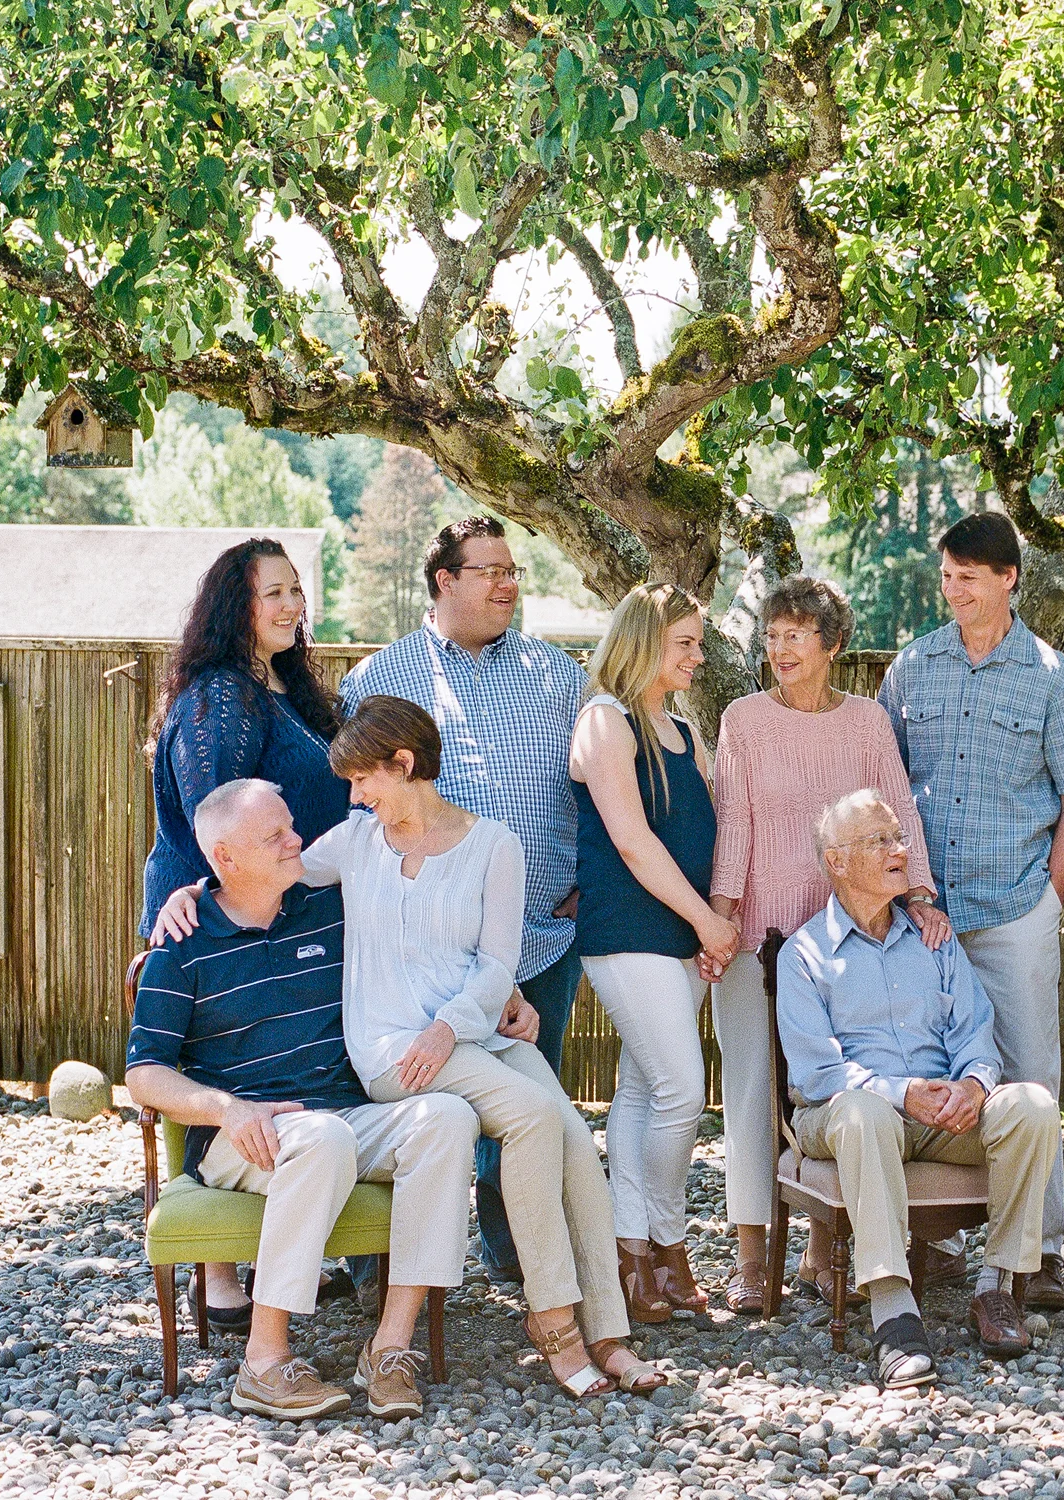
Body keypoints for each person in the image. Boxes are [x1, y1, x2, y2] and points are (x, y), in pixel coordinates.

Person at [151, 704, 665, 1396]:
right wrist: (188, 891)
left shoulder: (495, 846)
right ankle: (556, 1331)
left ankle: (607, 1333)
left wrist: (457, 1022)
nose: (356, 796)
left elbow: (496, 963)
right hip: (394, 1048)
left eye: (365, 779)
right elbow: (256, 870)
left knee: (573, 1134)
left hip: (468, 1034)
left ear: (404, 764)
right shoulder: (356, 842)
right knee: (535, 1117)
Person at [126, 780, 476, 1422]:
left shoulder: (330, 909)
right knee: (322, 1137)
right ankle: (263, 1362)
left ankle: (390, 1347)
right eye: (276, 835)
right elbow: (144, 1075)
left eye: (291, 826)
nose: (297, 841)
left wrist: (504, 993)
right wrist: (227, 1110)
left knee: (448, 1118)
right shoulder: (182, 943)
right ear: (226, 857)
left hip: (343, 1112)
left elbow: (428, 939)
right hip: (241, 1135)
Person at [340, 516, 586, 1282]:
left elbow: (596, 785)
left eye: (513, 570)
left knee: (523, 1105)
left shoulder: (559, 675)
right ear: (444, 580)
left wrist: (590, 882)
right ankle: (382, 1267)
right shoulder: (378, 679)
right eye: (491, 571)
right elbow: (359, 815)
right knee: (418, 1101)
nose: (508, 584)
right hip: (423, 954)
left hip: (540, 935)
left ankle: (519, 1259)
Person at [877, 513, 1064, 1308]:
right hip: (923, 913)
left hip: (1013, 908)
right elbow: (886, 782)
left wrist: (1050, 895)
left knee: (1030, 1074)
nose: (953, 590)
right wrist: (900, 890)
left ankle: (1038, 1253)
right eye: (946, 575)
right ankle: (936, 1243)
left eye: (968, 576)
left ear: (1009, 579)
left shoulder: (1050, 678)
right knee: (929, 1069)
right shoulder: (912, 667)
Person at [709, 577, 946, 1313]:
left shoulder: (867, 723)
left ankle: (820, 1252)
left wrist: (918, 895)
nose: (779, 649)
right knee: (753, 1091)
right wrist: (721, 919)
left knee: (836, 1084)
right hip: (760, 937)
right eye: (772, 635)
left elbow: (898, 811)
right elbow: (734, 823)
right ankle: (752, 1259)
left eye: (795, 635)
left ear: (832, 644)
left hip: (851, 937)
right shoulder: (744, 720)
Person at [776, 790, 1061, 1390]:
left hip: (940, 1116)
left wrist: (975, 1086)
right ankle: (893, 1312)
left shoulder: (935, 939)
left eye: (899, 838)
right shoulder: (804, 954)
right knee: (864, 1111)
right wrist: (901, 1092)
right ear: (837, 861)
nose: (900, 851)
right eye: (880, 841)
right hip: (843, 1115)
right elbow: (817, 1073)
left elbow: (975, 1032)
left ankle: (997, 1286)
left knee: (1032, 1106)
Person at [140, 537, 351, 1334]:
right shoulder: (221, 697)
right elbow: (215, 814)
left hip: (275, 908)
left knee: (277, 1065)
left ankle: (270, 1252)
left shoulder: (285, 688)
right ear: (236, 606)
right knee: (218, 1063)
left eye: (296, 591)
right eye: (273, 593)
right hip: (209, 909)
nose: (291, 606)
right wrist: (204, 896)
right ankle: (219, 1278)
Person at [571, 583, 737, 1323]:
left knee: (641, 1094)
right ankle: (667, 1245)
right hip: (627, 931)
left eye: (699, 643)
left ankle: (632, 1257)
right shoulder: (604, 722)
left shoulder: (684, 729)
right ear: (643, 641)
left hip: (685, 933)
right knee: (681, 1092)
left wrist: (714, 921)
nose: (698, 656)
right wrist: (706, 922)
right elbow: (634, 842)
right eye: (685, 643)